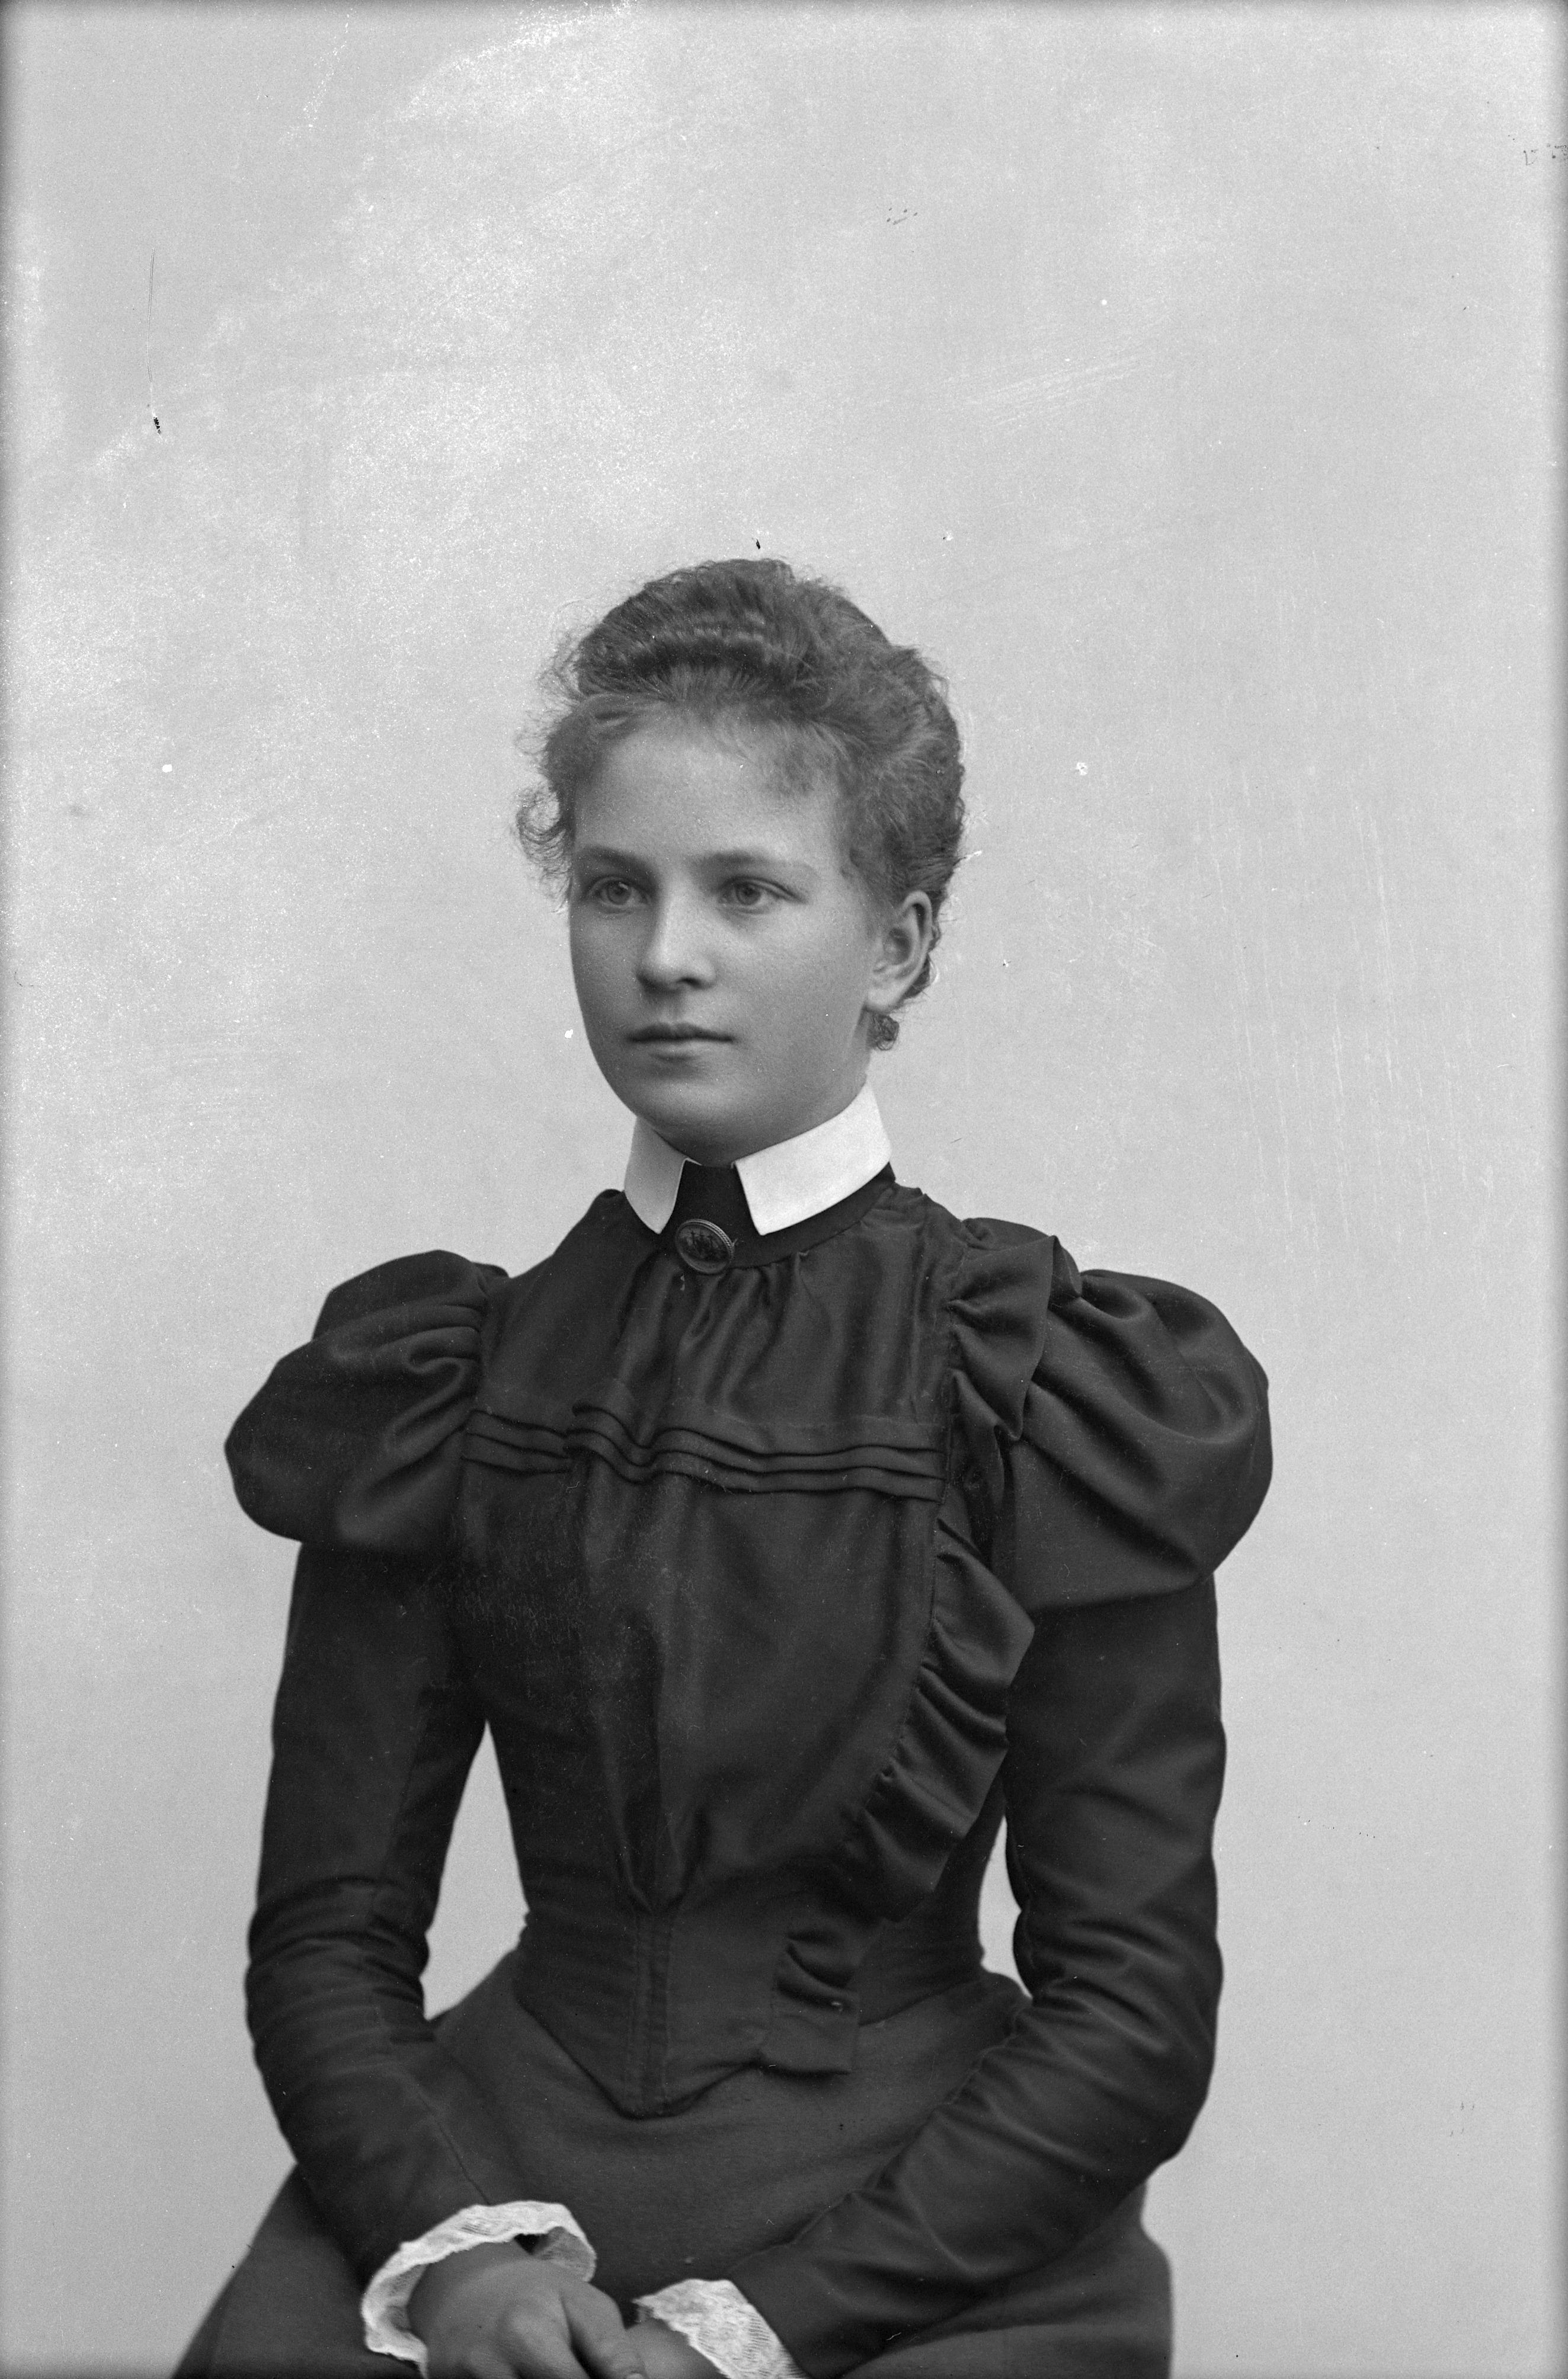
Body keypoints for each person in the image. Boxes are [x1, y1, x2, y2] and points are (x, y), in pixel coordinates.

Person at [177, 558, 1271, 2379]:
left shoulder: (1044, 1385)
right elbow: (327, 1940)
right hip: (493, 2177)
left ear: (897, 944)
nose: (665, 955)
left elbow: (1135, 2015)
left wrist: (759, 2332)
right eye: (616, 886)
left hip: (922, 2226)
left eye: (746, 890)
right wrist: (463, 2259)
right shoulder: (445, 1380)